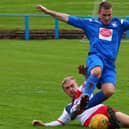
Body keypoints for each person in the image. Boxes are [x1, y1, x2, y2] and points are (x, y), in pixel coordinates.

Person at [36, 2, 129, 116]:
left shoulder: (119, 24)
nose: (107, 18)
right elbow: (67, 18)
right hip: (95, 57)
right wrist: (48, 12)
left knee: (109, 91)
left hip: (110, 64)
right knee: (97, 70)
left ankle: (80, 109)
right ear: (99, 13)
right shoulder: (90, 23)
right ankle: (85, 96)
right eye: (104, 15)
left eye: (109, 15)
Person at [32, 76, 129, 128]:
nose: (71, 89)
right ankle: (116, 124)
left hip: (104, 110)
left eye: (72, 85)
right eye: (67, 88)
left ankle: (117, 123)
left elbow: (90, 79)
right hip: (92, 121)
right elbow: (60, 122)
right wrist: (44, 124)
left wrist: (85, 74)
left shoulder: (84, 90)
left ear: (76, 85)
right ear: (65, 91)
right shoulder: (69, 108)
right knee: (102, 123)